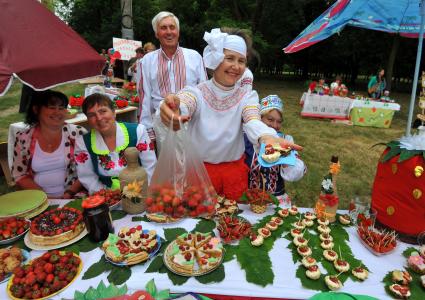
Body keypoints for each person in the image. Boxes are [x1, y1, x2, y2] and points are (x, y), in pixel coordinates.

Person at [159, 28, 303, 201]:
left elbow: (252, 119)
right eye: (230, 58)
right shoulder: (197, 92)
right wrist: (174, 107)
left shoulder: (246, 96)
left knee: (232, 223)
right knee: (199, 224)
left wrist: (266, 135)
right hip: (199, 174)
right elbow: (185, 101)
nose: (236, 66)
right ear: (215, 58)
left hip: (234, 174)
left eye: (242, 61)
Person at [136, 11, 207, 144]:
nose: (169, 32)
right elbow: (144, 99)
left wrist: (204, 127)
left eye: (172, 27)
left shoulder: (195, 57)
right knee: (167, 164)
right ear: (157, 34)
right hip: (162, 126)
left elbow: (204, 94)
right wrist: (148, 134)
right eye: (163, 28)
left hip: (191, 124)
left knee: (192, 164)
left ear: (178, 32)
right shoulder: (146, 61)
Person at [75, 93, 157, 194]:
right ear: (88, 120)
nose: (99, 118)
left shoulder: (138, 131)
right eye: (92, 115)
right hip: (107, 197)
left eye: (103, 111)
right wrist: (108, 196)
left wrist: (140, 194)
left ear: (114, 112)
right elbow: (88, 177)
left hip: (141, 192)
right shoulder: (83, 142)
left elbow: (150, 167)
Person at [11, 90, 87, 199]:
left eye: (61, 108)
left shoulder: (77, 133)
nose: (57, 112)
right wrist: (44, 197)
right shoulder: (24, 138)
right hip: (38, 199)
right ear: (36, 110)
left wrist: (69, 193)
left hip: (75, 196)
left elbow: (88, 168)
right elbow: (19, 175)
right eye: (52, 107)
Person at [244, 95, 306, 199]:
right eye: (270, 119)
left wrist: (285, 157)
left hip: (275, 199)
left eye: (279, 121)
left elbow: (296, 174)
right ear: (260, 118)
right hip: (248, 198)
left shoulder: (286, 140)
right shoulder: (247, 138)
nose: (275, 125)